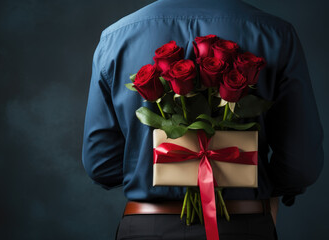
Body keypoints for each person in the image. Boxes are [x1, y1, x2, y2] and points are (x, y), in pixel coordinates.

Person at [82, 0, 324, 239]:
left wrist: (151, 172)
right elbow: (301, 165)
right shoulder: (276, 34)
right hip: (244, 225)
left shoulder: (115, 38)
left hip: (147, 228)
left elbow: (101, 164)